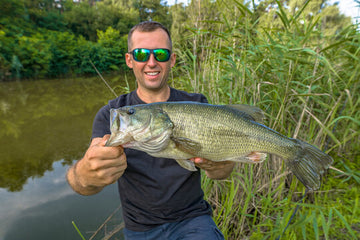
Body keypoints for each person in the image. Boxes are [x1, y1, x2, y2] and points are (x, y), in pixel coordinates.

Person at [66, 21, 235, 240]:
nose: (151, 62)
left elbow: (222, 173)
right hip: (140, 229)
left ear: (172, 60)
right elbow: (81, 186)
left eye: (161, 54)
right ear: (130, 60)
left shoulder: (197, 104)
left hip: (193, 220)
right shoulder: (112, 113)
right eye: (142, 53)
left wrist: (219, 165)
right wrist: (85, 174)